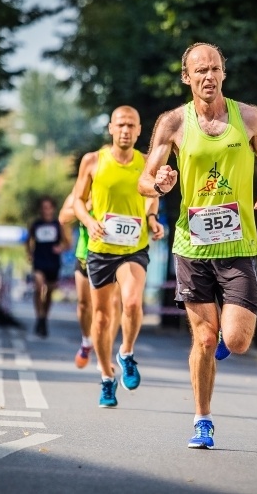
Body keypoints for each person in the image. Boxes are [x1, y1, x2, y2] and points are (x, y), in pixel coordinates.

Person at [138, 42, 257, 449]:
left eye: (214, 69)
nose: (208, 76)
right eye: (199, 71)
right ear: (187, 77)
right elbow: (145, 177)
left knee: (236, 341)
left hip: (238, 244)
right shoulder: (172, 122)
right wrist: (160, 184)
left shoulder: (250, 117)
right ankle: (203, 419)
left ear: (223, 73)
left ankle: (225, 337)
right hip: (193, 245)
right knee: (202, 338)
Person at [72, 105, 164, 408]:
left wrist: (152, 220)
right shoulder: (93, 161)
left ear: (139, 131)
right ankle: (106, 377)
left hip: (133, 247)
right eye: (121, 125)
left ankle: (125, 353)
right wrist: (89, 222)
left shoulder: (147, 162)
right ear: (111, 128)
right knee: (101, 318)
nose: (126, 130)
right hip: (101, 249)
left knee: (134, 301)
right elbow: (78, 200)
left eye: (131, 126)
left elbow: (152, 199)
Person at [58, 189, 122, 370]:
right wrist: (85, 207)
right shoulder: (83, 191)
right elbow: (63, 217)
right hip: (85, 255)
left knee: (113, 304)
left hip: (112, 255)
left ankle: (105, 355)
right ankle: (87, 342)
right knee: (85, 304)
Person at [27, 196, 69, 338]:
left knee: (49, 292)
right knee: (39, 287)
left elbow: (67, 243)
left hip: (53, 261)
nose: (46, 210)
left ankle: (44, 318)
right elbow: (28, 241)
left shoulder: (58, 225)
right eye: (43, 207)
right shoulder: (35, 224)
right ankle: (39, 316)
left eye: (48, 207)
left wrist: (60, 248)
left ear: (52, 209)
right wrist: (29, 253)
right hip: (39, 259)